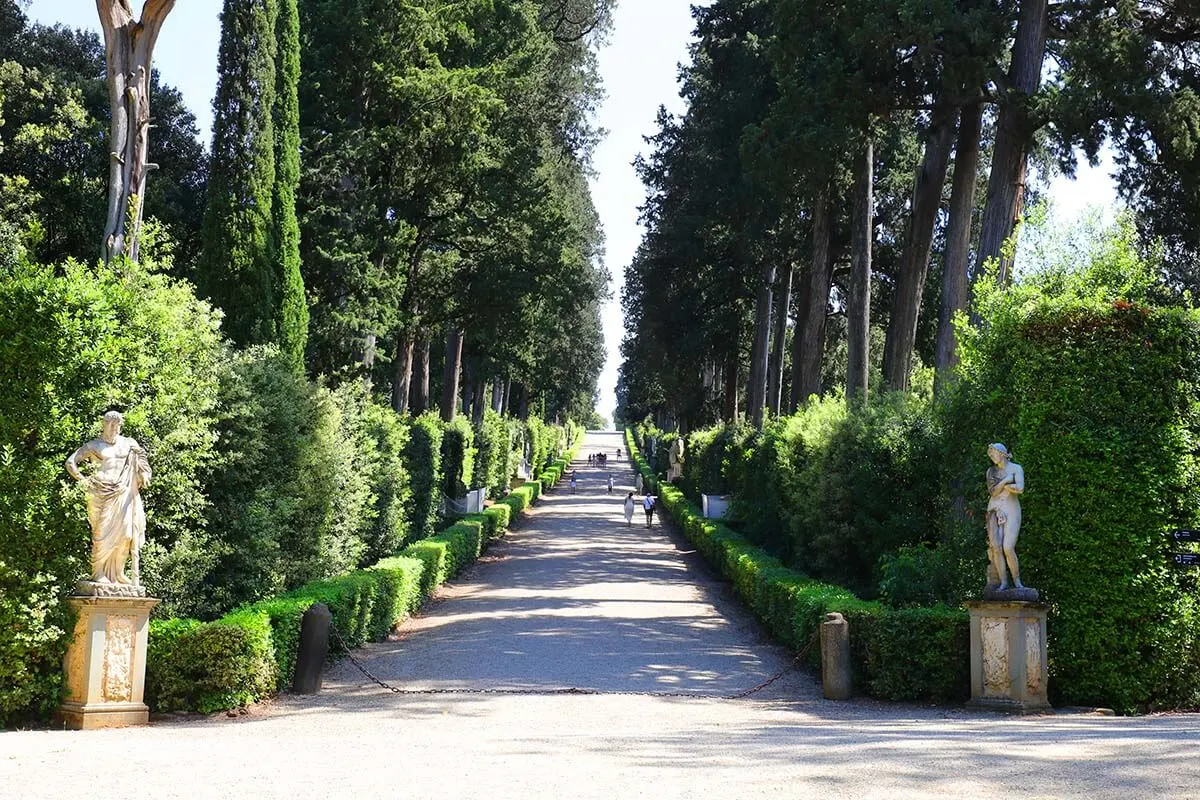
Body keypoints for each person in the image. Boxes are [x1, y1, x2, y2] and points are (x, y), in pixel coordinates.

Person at [65, 410, 152, 586]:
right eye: (109, 424)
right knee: (102, 534)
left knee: (126, 535)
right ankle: (98, 573)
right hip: (101, 494)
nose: (113, 428)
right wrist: (84, 481)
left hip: (124, 494)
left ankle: (119, 573)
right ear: (103, 425)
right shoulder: (94, 446)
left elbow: (142, 462)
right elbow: (70, 462)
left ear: (120, 426)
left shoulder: (129, 444)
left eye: (116, 424)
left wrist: (144, 474)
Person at [985, 443, 1025, 590]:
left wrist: (1003, 486)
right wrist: (1007, 481)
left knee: (1008, 547)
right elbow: (993, 492)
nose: (991, 457)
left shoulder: (1016, 468)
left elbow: (1020, 489)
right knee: (996, 547)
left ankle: (1017, 581)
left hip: (1011, 508)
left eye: (993, 454)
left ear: (1001, 453)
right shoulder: (991, 471)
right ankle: (1003, 583)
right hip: (994, 509)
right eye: (990, 455)